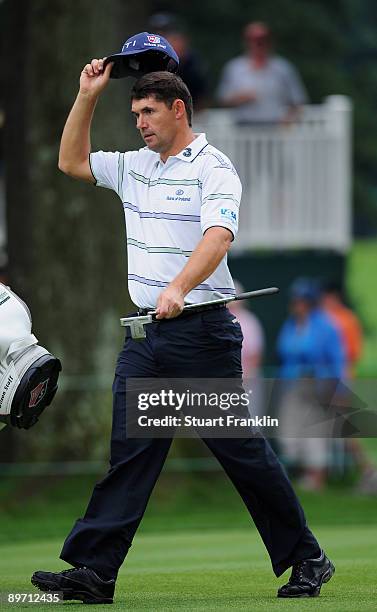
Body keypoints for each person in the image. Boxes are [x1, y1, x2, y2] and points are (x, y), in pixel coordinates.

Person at [31, 53, 334, 604]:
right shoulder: (133, 165)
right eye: (134, 114)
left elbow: (218, 236)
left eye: (148, 112)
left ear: (178, 109)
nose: (141, 123)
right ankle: (95, 574)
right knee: (130, 457)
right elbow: (71, 163)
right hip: (146, 341)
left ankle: (307, 558)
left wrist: (178, 288)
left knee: (240, 454)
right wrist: (87, 95)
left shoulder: (214, 167)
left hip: (201, 336)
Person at [277, 278, 345, 491]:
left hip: (318, 386)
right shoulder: (290, 325)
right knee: (288, 431)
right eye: (296, 300)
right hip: (292, 385)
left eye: (303, 301)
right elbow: (284, 353)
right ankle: (297, 475)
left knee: (315, 431)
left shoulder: (326, 326)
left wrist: (339, 389)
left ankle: (316, 478)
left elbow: (337, 359)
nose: (298, 305)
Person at [321, 283, 377, 494]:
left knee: (343, 428)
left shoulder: (344, 319)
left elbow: (349, 354)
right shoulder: (327, 318)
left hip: (341, 381)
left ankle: (368, 471)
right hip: (328, 381)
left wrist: (340, 384)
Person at [217, 21, 308, 125]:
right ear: (246, 42)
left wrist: (289, 119)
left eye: (262, 40)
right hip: (243, 128)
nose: (258, 44)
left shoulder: (283, 68)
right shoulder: (234, 68)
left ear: (270, 42)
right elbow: (222, 99)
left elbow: (298, 101)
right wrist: (238, 98)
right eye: (254, 40)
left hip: (274, 127)